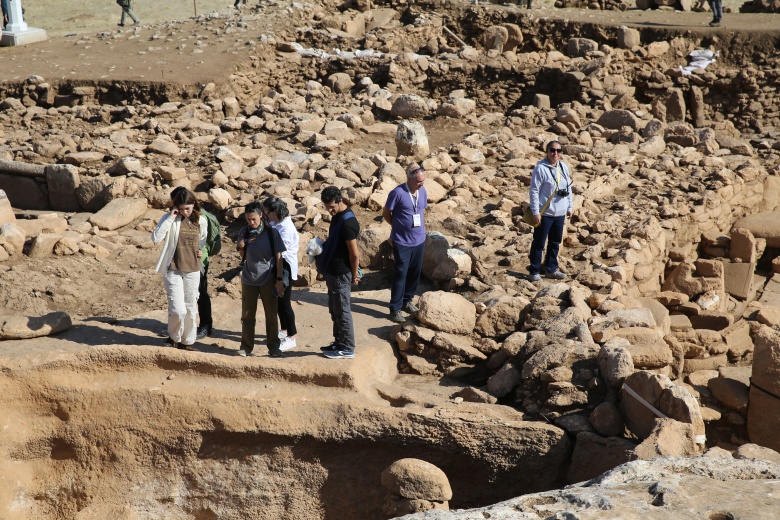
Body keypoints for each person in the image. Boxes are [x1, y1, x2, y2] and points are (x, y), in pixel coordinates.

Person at [151, 188, 207, 351]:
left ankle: (187, 341)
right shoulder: (171, 218)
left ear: (193, 205)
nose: (185, 212)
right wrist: (171, 217)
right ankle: (173, 337)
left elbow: (203, 239)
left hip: (193, 269)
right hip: (173, 268)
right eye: (181, 208)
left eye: (187, 208)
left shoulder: (201, 220)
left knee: (190, 307)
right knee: (177, 308)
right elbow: (156, 237)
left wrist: (200, 250)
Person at [237, 202, 287, 358]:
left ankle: (273, 346)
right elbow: (243, 256)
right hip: (248, 279)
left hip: (268, 279)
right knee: (247, 315)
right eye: (248, 219)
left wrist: (279, 280)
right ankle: (246, 346)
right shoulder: (244, 232)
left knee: (271, 315)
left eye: (254, 219)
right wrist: (242, 247)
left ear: (261, 215)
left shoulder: (272, 233)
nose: (251, 222)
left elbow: (279, 258)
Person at [318, 187, 361, 360]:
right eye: (327, 207)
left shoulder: (348, 223)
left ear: (339, 200)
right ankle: (339, 342)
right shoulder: (337, 217)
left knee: (343, 310)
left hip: (342, 273)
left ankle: (348, 347)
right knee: (335, 309)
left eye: (332, 206)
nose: (329, 210)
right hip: (332, 272)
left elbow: (355, 254)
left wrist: (354, 274)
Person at [383, 163, 428, 324]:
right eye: (418, 182)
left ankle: (407, 301)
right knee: (400, 274)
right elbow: (386, 213)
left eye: (422, 181)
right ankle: (395, 309)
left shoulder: (422, 191)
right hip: (402, 242)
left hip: (419, 240)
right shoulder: (397, 193)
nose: (421, 184)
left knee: (415, 273)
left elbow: (421, 211)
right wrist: (397, 227)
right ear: (409, 179)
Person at [527, 140, 573, 282]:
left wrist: (569, 206)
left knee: (555, 242)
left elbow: (568, 188)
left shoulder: (564, 167)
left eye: (558, 151)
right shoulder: (540, 168)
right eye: (552, 150)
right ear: (547, 151)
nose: (555, 153)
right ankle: (534, 271)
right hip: (545, 214)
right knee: (539, 243)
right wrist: (535, 212)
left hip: (560, 213)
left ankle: (551, 269)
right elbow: (534, 191)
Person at [262, 196, 300, 352]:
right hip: (277, 265)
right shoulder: (277, 222)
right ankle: (284, 330)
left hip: (285, 267)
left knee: (285, 304)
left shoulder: (286, 228)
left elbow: (277, 249)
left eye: (267, 213)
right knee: (278, 301)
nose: (266, 216)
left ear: (275, 211)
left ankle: (292, 336)